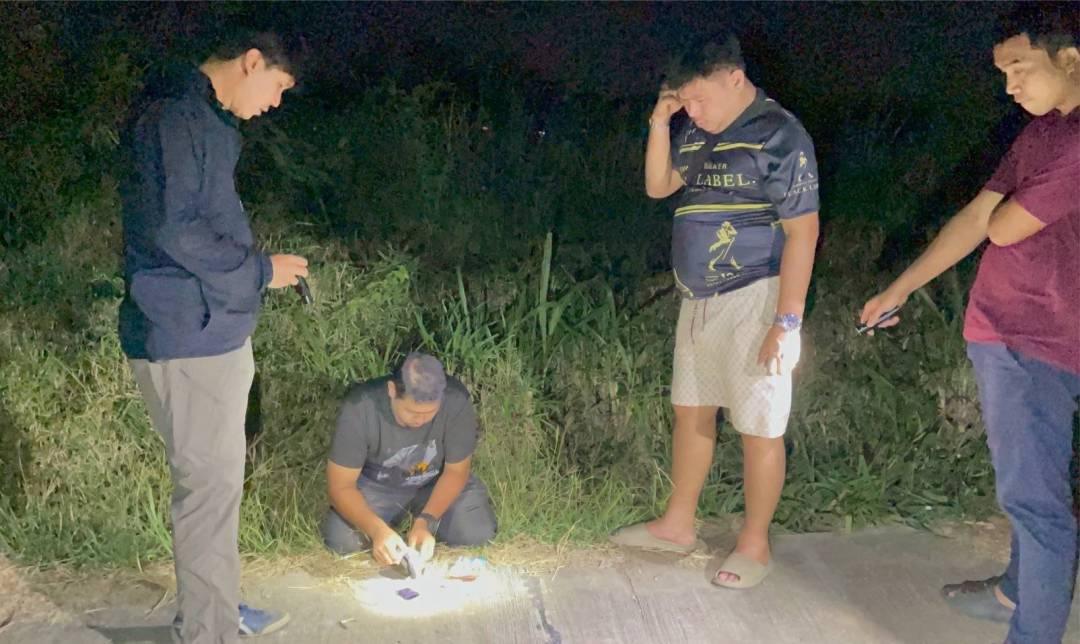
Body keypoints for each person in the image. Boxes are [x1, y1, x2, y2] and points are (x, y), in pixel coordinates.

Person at [860, 6, 1079, 643]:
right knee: (1027, 485)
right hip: (1003, 330)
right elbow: (974, 217)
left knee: (1037, 503)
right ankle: (1015, 592)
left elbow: (1002, 227)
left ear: (1069, 59)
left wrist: (998, 213)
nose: (1010, 85)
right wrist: (899, 287)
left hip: (1043, 339)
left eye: (1020, 67)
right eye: (1003, 72)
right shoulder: (1043, 132)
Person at [610, 33, 820, 589]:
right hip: (698, 296)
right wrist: (662, 123)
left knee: (759, 424)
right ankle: (677, 524)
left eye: (699, 100)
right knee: (692, 410)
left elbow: (803, 232)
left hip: (758, 293)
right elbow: (659, 186)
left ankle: (754, 544)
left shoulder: (780, 134)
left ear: (735, 78)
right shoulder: (699, 132)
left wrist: (787, 323)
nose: (694, 112)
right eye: (685, 102)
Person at [119, 32, 309, 643]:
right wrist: (259, 271)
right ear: (251, 63)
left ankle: (215, 608)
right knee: (207, 492)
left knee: (217, 489)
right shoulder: (175, 118)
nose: (274, 103)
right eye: (277, 87)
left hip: (209, 329)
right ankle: (209, 630)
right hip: (186, 333)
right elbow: (175, 231)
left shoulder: (201, 117)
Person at [321, 352, 497, 567]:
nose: (420, 420)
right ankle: (388, 531)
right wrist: (377, 530)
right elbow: (340, 487)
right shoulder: (360, 407)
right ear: (392, 390)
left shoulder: (456, 400)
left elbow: (456, 472)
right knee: (342, 541)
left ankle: (420, 530)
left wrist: (426, 522)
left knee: (476, 532)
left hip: (433, 483)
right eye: (412, 411)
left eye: (430, 413)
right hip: (378, 487)